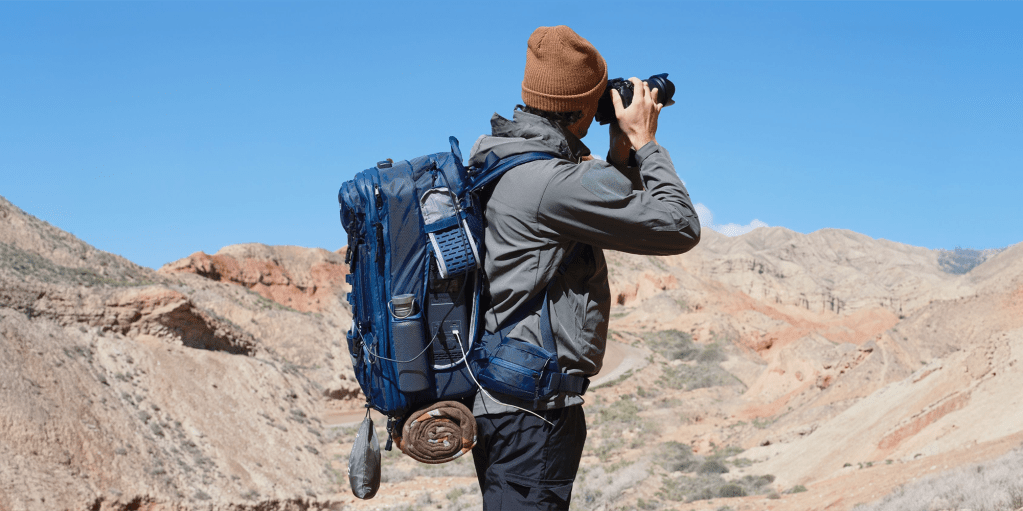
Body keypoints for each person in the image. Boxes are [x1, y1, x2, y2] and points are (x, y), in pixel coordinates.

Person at [467, 25, 701, 510]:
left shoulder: (504, 159)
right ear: (582, 108)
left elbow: (589, 208)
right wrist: (644, 141)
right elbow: (679, 226)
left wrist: (618, 158)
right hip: (535, 413)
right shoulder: (551, 181)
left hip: (505, 400)